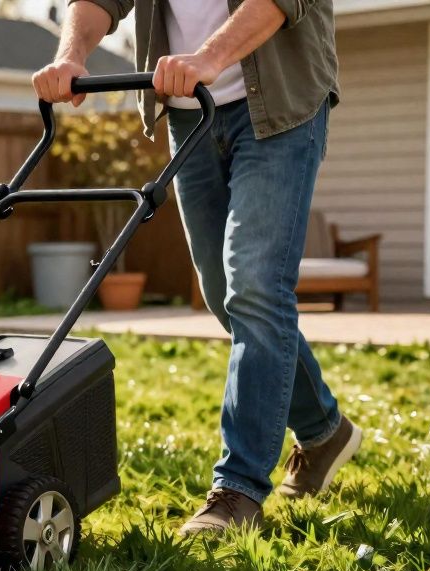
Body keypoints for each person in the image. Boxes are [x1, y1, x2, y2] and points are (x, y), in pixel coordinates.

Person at [33, 0, 362, 535]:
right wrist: (71, 55)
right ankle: (324, 431)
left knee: (255, 287)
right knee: (225, 292)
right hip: (190, 115)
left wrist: (209, 57)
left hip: (280, 106)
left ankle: (238, 491)